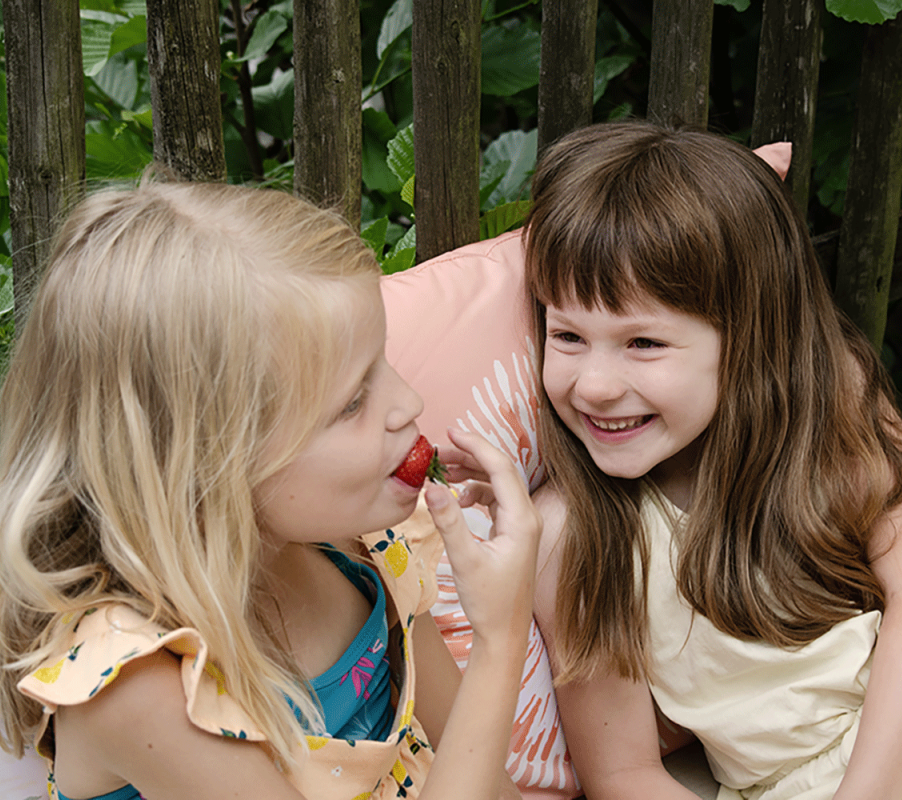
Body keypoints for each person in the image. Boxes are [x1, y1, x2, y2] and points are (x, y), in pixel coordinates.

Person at [0, 177, 541, 800]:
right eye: (353, 402)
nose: (410, 403)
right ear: (208, 463)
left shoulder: (359, 547)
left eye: (382, 360)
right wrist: (501, 640)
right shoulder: (142, 686)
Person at [523, 121, 902, 800]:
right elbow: (625, 773)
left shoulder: (833, 397)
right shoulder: (573, 537)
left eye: (644, 343)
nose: (593, 384)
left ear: (745, 334)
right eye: (567, 334)